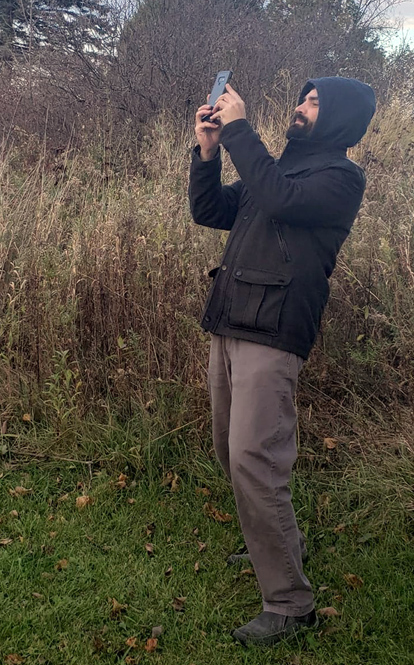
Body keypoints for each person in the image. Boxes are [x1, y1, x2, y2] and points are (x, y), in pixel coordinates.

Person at [189, 76, 376, 647]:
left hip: (273, 333)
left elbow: (279, 199)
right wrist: (208, 151)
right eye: (303, 97)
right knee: (230, 449)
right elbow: (208, 210)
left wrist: (242, 130)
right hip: (229, 320)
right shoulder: (275, 168)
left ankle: (291, 605)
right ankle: (264, 542)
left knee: (256, 458)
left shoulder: (339, 179)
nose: (301, 107)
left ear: (341, 118)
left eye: (315, 102)